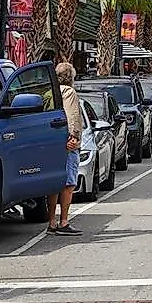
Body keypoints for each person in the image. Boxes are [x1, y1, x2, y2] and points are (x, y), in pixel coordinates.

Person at [48, 60, 85, 233]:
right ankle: (63, 221)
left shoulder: (50, 92)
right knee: (68, 183)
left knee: (54, 183)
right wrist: (75, 136)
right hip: (67, 143)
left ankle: (51, 222)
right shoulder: (69, 92)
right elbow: (72, 115)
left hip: (53, 141)